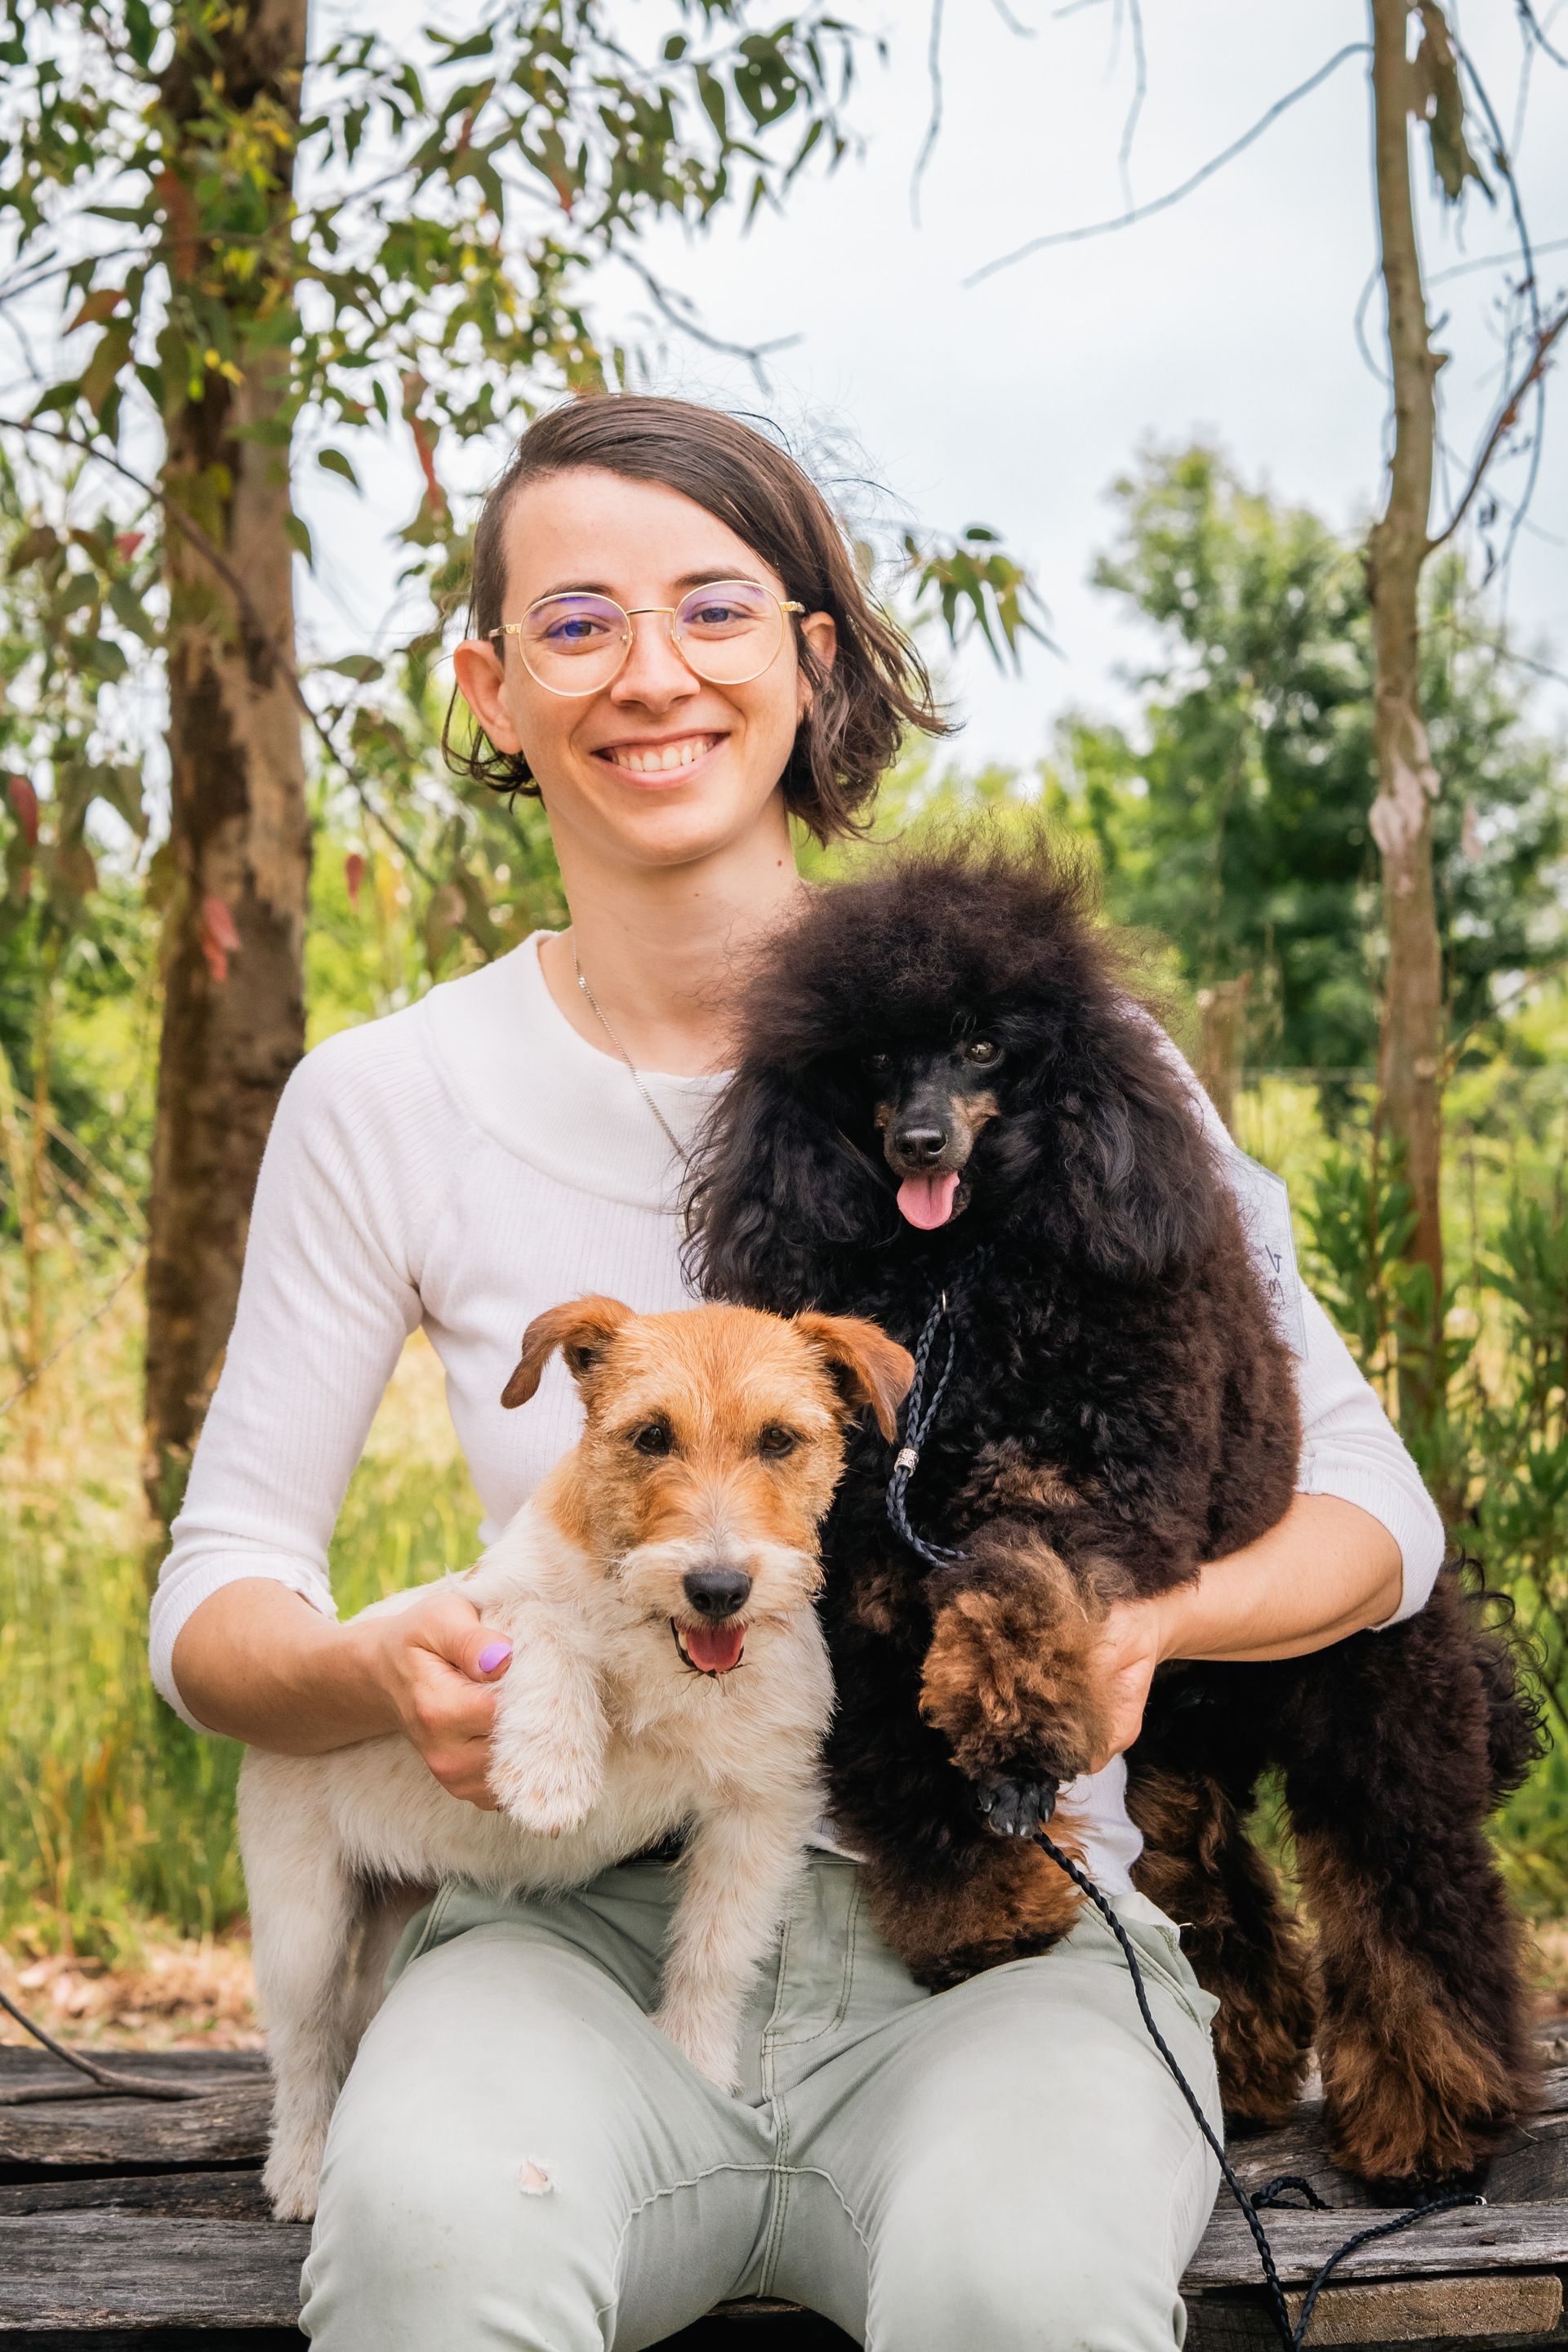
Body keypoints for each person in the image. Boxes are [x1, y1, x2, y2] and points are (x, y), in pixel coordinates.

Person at [151, 394, 1445, 2352]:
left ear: (811, 658)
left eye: (716, 610)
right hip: (569, 1926)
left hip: (1010, 1939)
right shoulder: (385, 1100)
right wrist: (361, 1669)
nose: (651, 671)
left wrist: (1144, 1627)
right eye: (576, 624)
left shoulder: (1042, 1056)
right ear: (490, 689)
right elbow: (218, 1593)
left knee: (1018, 2294)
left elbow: (1382, 1514)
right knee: (430, 2255)